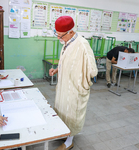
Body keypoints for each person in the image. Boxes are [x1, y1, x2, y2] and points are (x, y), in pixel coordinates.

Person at [49, 16, 98, 150]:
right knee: (62, 110)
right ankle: (65, 132)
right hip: (64, 85)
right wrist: (57, 69)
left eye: (61, 35)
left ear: (71, 32)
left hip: (75, 87)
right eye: (57, 34)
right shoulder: (67, 41)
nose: (59, 38)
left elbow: (93, 70)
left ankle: (69, 141)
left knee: (72, 113)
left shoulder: (82, 44)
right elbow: (66, 61)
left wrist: (81, 83)